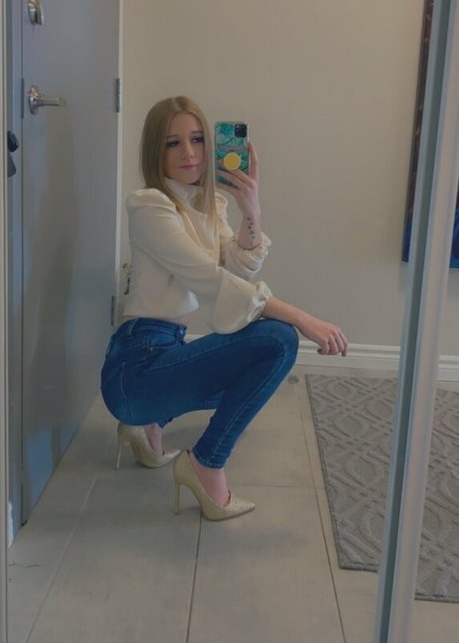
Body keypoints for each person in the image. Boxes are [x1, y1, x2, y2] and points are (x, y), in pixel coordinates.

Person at [101, 96, 348, 521]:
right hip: (135, 367)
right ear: (155, 151)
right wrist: (303, 317)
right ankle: (206, 462)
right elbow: (213, 280)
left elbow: (236, 267)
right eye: (173, 143)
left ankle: (148, 424)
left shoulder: (207, 206)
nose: (190, 152)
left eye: (197, 139)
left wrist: (252, 209)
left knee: (257, 369)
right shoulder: (149, 205)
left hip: (167, 352)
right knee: (279, 340)